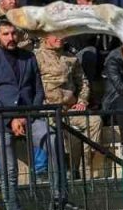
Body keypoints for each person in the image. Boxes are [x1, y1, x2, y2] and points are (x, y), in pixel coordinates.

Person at [0, 18, 51, 210]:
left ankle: (60, 199)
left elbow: (38, 90)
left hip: (30, 116)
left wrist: (27, 116)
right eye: (6, 34)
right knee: (9, 171)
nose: (11, 37)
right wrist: (12, 119)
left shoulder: (29, 57)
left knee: (53, 141)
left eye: (13, 33)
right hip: (2, 120)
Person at [36, 33, 101, 180]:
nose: (60, 37)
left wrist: (82, 101)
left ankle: (85, 167)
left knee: (95, 121)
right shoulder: (36, 58)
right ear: (45, 37)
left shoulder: (71, 58)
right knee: (70, 135)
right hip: (49, 110)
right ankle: (71, 168)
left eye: (62, 33)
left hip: (70, 108)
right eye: (55, 34)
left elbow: (83, 82)